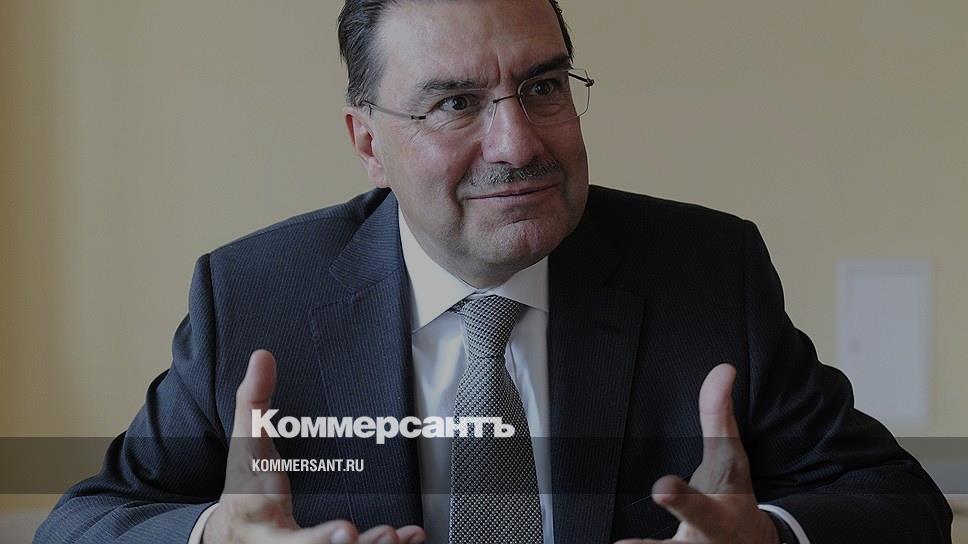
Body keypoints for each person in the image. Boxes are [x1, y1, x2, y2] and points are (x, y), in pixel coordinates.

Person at [36, 1, 952, 543]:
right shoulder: (256, 298)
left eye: (543, 87)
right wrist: (210, 537)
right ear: (368, 142)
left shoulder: (705, 273)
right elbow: (83, 523)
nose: (518, 144)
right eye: (455, 103)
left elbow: (901, 506)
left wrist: (773, 537)